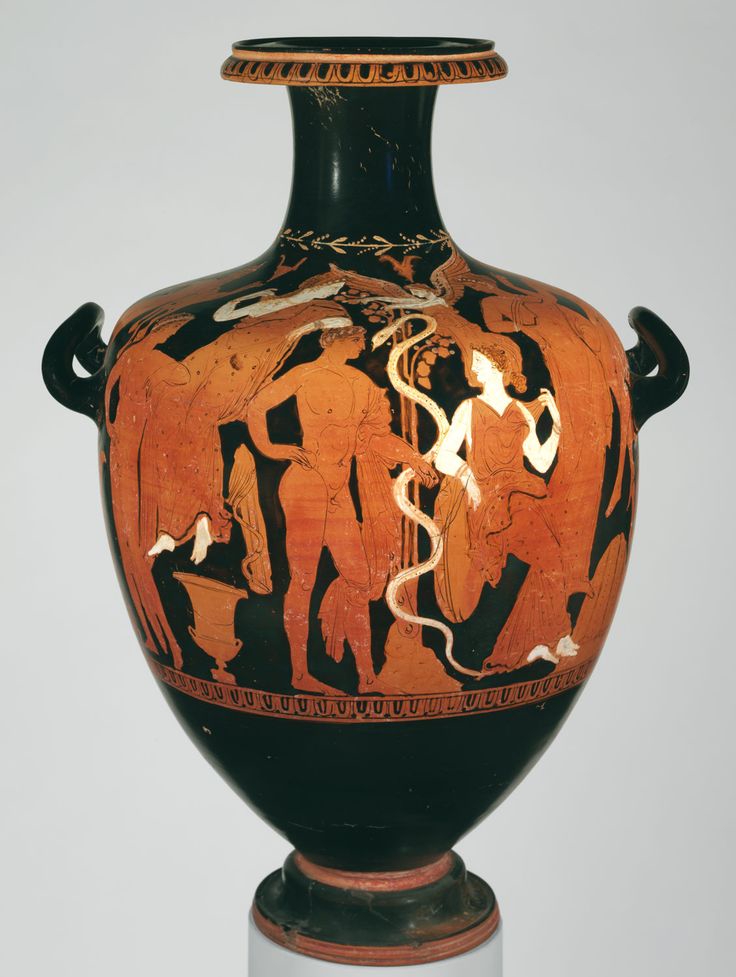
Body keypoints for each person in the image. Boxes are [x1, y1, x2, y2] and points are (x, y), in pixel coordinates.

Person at [247, 322, 437, 695]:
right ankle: (300, 674)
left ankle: (366, 677)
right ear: (337, 340)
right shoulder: (305, 374)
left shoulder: (360, 383)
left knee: (359, 580)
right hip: (306, 485)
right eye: (358, 339)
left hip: (338, 491)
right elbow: (256, 406)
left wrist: (413, 457)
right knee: (303, 580)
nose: (363, 345)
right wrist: (273, 449)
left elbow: (375, 436)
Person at [434, 337, 578, 671]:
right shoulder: (469, 408)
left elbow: (540, 462)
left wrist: (556, 425)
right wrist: (468, 479)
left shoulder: (521, 411)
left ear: (499, 367)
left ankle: (541, 639)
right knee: (548, 555)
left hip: (521, 494)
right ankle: (551, 636)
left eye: (480, 363)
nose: (473, 369)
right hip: (489, 499)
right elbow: (443, 456)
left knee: (550, 558)